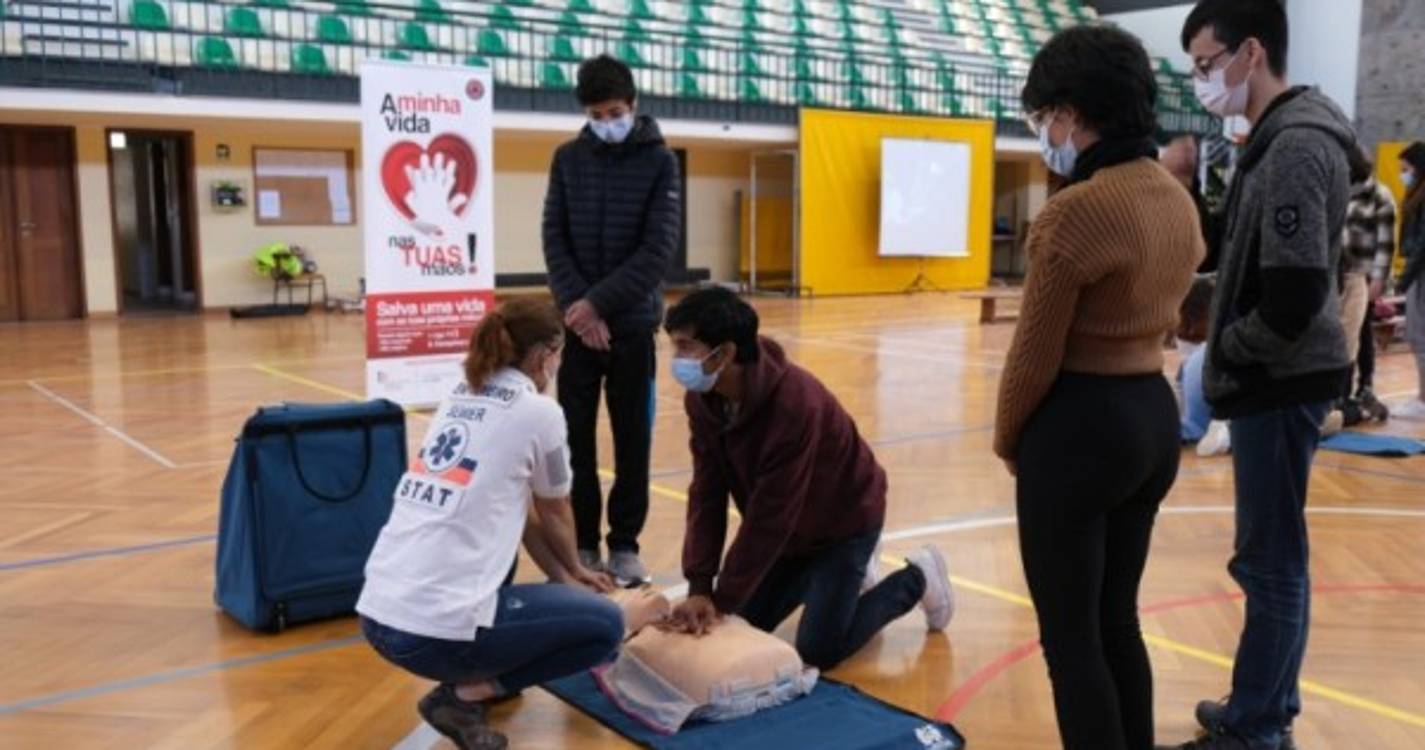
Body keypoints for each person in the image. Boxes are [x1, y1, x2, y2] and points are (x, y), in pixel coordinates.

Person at [994, 25, 1203, 750]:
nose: (1043, 131)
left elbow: (1034, 353)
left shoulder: (1075, 210)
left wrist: (1010, 439)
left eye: (1043, 115)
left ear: (1069, 112)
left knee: (1070, 639)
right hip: (1152, 416)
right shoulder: (1176, 200)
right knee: (1117, 621)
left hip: (1080, 427)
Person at [1169, 2, 1355, 749]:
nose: (1200, 79)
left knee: (1270, 564)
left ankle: (1256, 729)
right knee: (1275, 559)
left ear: (1250, 52)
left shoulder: (1295, 146)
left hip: (1279, 381)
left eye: (1205, 63)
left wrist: (1225, 351)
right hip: (1276, 378)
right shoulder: (1272, 138)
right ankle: (1265, 707)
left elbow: (1293, 296)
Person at [357, 298, 622, 750]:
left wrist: (564, 576)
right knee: (605, 627)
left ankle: (475, 676)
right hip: (430, 636)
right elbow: (555, 509)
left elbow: (521, 514)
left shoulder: (459, 394)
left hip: (377, 616)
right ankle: (464, 695)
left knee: (529, 581)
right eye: (558, 355)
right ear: (543, 356)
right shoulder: (539, 412)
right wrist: (577, 569)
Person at [660, 288, 954, 670]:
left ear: (726, 353)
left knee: (817, 650)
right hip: (793, 533)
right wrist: (701, 587)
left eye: (686, 347)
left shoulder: (794, 405)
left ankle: (917, 578)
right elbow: (707, 492)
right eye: (675, 347)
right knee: (740, 627)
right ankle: (827, 583)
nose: (677, 359)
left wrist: (722, 600)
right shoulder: (703, 400)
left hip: (844, 524)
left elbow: (771, 516)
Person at [542, 54, 682, 584]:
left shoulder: (661, 162)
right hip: (579, 328)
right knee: (574, 440)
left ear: (633, 104)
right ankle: (583, 542)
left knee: (632, 441)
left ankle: (624, 544)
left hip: (631, 328)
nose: (607, 122)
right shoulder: (567, 158)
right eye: (596, 115)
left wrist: (597, 304)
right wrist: (580, 311)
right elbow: (554, 238)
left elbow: (657, 250)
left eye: (615, 113)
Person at [1332, 145, 1396, 427]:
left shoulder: (1379, 196)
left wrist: (1379, 279)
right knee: (1343, 334)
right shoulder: (1337, 192)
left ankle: (1362, 386)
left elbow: (1385, 242)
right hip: (1336, 273)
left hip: (1364, 273)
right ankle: (1340, 393)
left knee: (1358, 332)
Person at [1394, 141, 1425, 419]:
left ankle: (1423, 400)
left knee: (1420, 335)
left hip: (1421, 273)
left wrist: (1402, 282)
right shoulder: (1415, 194)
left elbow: (1422, 246)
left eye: (1406, 170)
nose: (1403, 175)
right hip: (1418, 271)